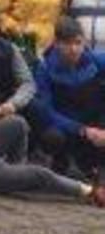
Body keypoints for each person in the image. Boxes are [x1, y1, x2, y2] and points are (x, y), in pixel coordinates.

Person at [30, 18, 105, 178]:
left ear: (84, 42)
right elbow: (46, 112)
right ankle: (59, 163)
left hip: (93, 122)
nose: (73, 49)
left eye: (78, 43)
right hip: (64, 126)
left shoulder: (95, 61)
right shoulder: (44, 68)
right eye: (67, 44)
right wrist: (82, 130)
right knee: (52, 137)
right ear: (57, 43)